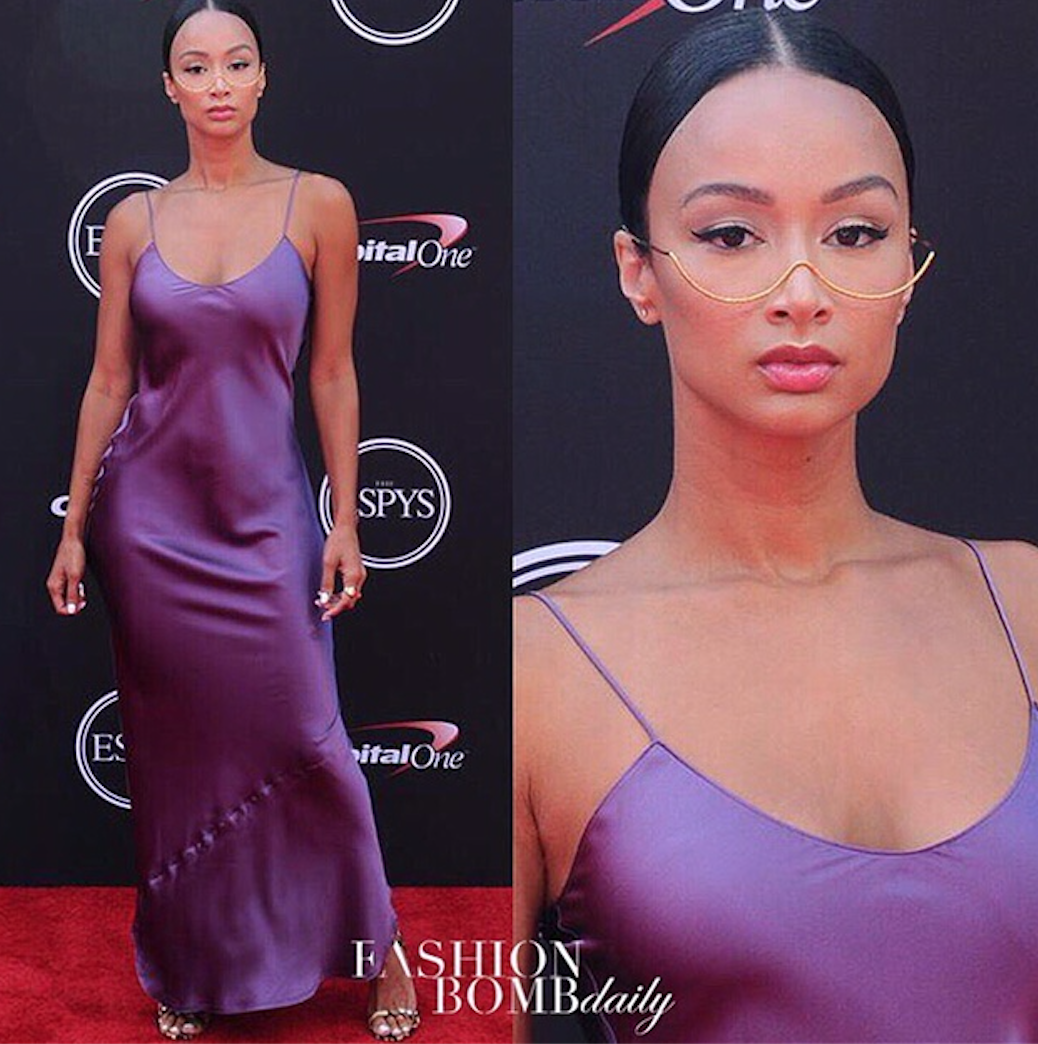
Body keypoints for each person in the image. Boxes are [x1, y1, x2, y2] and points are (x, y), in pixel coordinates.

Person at [514, 11, 1038, 1043]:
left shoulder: (1024, 603)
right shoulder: (537, 674)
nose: (803, 292)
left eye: (854, 233)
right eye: (731, 235)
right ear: (637, 272)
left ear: (909, 265)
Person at [45, 1, 420, 1040]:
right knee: (179, 765)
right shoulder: (134, 222)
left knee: (308, 736)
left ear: (263, 79)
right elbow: (109, 381)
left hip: (267, 521)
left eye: (237, 62)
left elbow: (333, 374)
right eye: (197, 66)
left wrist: (345, 518)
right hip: (149, 528)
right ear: (169, 87)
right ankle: (191, 961)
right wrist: (75, 526)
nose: (218, 82)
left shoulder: (319, 204)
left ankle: (378, 949)